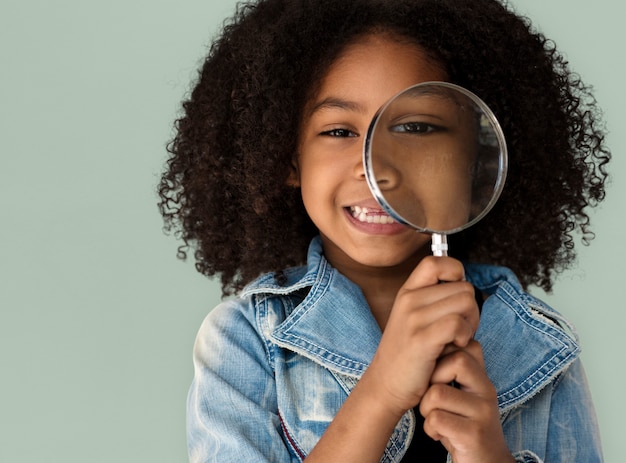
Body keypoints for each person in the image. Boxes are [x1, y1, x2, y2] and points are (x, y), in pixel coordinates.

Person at [158, 0, 610, 461]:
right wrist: (383, 390)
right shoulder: (245, 340)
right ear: (288, 158)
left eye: (415, 127)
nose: (377, 168)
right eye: (339, 132)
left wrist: (488, 452)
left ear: (477, 157)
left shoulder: (539, 344)